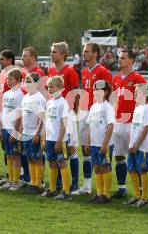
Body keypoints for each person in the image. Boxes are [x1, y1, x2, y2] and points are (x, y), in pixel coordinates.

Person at [75, 43, 112, 195]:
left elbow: (110, 91)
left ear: (96, 53)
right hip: (85, 111)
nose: (84, 54)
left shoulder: (102, 70)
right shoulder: (84, 71)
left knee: (100, 151)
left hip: (98, 113)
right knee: (85, 149)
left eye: (88, 52)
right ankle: (87, 185)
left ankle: (104, 191)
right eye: (83, 51)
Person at [111, 49, 146, 199]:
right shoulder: (117, 78)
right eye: (119, 58)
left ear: (131, 60)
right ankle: (122, 188)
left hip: (132, 122)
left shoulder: (138, 77)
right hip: (118, 122)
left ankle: (139, 191)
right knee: (118, 156)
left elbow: (145, 99)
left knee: (134, 155)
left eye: (123, 58)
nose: (120, 60)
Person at [48, 42, 80, 192]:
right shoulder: (51, 71)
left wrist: (74, 111)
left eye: (54, 52)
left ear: (63, 54)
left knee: (70, 148)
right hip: (55, 115)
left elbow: (75, 93)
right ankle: (59, 183)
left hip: (68, 114)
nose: (52, 54)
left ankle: (74, 183)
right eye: (51, 52)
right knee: (57, 148)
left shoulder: (70, 71)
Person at [41, 76, 72, 200]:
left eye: (52, 86)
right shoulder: (49, 103)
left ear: (60, 88)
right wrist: (44, 139)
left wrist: (59, 141)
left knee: (62, 163)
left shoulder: (63, 103)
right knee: (52, 164)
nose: (49, 89)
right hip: (49, 139)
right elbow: (46, 122)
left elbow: (64, 124)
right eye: (48, 86)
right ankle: (52, 189)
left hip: (60, 140)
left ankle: (66, 191)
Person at [86, 80, 114, 204]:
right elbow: (89, 126)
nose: (95, 91)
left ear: (106, 92)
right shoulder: (93, 107)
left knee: (105, 167)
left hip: (104, 145)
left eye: (98, 89)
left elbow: (110, 126)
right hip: (93, 144)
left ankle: (106, 195)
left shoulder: (107, 107)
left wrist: (105, 144)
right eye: (94, 89)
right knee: (96, 167)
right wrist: (88, 142)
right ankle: (99, 193)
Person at [126, 84, 148, 207]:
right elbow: (134, 128)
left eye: (138, 92)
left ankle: (144, 197)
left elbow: (145, 128)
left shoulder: (147, 108)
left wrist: (137, 145)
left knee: (142, 171)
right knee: (131, 169)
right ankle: (137, 195)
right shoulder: (137, 108)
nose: (135, 94)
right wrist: (131, 143)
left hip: (142, 148)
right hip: (133, 146)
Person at [19, 72, 46, 194]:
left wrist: (37, 134)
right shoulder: (25, 97)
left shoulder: (39, 98)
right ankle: (32, 182)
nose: (26, 83)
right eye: (25, 81)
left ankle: (39, 184)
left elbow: (41, 118)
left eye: (29, 81)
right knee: (30, 157)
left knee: (37, 158)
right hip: (26, 133)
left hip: (35, 134)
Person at [0, 68, 24, 191]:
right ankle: (10, 180)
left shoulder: (20, 94)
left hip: (13, 130)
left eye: (11, 79)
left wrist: (16, 131)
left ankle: (16, 182)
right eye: (7, 78)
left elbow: (19, 114)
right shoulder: (6, 94)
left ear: (18, 80)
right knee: (8, 155)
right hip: (5, 129)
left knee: (15, 156)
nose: (8, 81)